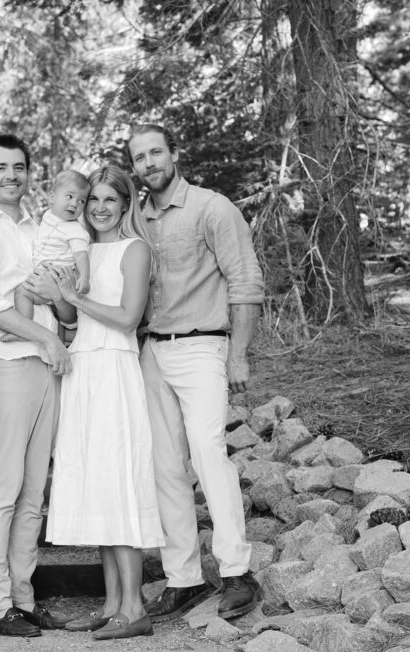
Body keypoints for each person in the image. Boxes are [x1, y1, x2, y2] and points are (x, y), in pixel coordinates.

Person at [128, 123, 264, 622]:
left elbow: (245, 281)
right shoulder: (136, 217)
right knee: (164, 466)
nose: (149, 164)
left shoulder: (212, 208)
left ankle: (236, 573)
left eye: (156, 152)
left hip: (203, 346)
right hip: (152, 352)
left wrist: (239, 354)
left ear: (174, 153)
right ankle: (182, 577)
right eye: (139, 157)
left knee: (208, 454)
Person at [0, 134, 74, 638]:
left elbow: (66, 303)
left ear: (29, 173)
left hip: (48, 367)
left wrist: (57, 317)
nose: (10, 175)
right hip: (5, 364)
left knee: (33, 492)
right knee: (2, 490)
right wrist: (49, 336)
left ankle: (23, 596)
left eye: (19, 167)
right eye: (0, 167)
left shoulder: (42, 229)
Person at [46, 166, 164, 640]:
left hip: (115, 368)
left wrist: (75, 295)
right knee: (95, 485)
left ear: (125, 203)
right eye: (92, 199)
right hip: (82, 368)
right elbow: (72, 319)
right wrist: (58, 299)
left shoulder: (134, 250)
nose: (97, 207)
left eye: (109, 200)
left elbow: (128, 316)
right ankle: (111, 603)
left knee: (118, 484)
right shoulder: (83, 249)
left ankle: (134, 608)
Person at [1, 170, 90, 342]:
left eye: (81, 201)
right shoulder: (48, 217)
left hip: (57, 279)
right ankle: (49, 337)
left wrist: (84, 278)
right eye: (69, 196)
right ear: (52, 198)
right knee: (55, 318)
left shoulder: (75, 230)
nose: (74, 204)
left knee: (22, 292)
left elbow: (81, 255)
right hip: (46, 278)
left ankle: (23, 328)